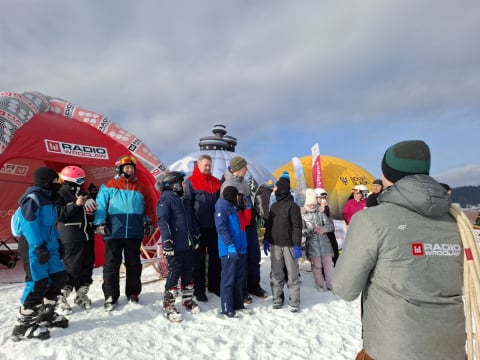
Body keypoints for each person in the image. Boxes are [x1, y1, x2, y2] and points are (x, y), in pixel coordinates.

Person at [332, 140, 465, 360]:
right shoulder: (456, 220)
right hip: (451, 347)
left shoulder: (371, 220)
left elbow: (345, 288)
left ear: (386, 176)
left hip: (391, 348)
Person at [11, 167, 68, 341]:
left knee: (58, 277)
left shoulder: (50, 200)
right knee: (38, 282)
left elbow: (50, 226)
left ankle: (46, 314)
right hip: (33, 246)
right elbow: (30, 224)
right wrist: (39, 246)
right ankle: (23, 325)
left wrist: (58, 242)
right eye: (56, 180)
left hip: (48, 245)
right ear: (46, 181)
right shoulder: (33, 198)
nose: (58, 184)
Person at [94, 155, 156, 311]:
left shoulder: (141, 187)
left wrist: (149, 222)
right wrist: (100, 222)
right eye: (126, 167)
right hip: (114, 231)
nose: (129, 170)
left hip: (134, 232)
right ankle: (110, 296)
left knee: (134, 264)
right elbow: (100, 205)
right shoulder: (109, 185)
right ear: (119, 169)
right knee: (111, 265)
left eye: (131, 168)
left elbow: (148, 206)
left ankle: (133, 293)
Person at [220, 156, 268, 301]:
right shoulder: (228, 185)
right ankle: (243, 290)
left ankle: (255, 286)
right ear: (239, 169)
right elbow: (226, 209)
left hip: (250, 225)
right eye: (245, 167)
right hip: (239, 228)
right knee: (242, 260)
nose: (247, 169)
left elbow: (249, 202)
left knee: (254, 257)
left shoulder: (244, 183)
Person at [157, 171, 201, 322]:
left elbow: (191, 220)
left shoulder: (184, 200)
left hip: (188, 244)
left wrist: (196, 234)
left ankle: (187, 299)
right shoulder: (165, 199)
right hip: (175, 245)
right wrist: (167, 241)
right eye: (181, 182)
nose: (184, 185)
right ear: (174, 185)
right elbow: (163, 221)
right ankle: (168, 304)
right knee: (175, 272)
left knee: (188, 271)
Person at [55, 166, 97, 314]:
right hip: (71, 236)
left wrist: (92, 212)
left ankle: (81, 294)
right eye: (79, 179)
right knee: (72, 267)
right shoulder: (59, 193)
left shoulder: (83, 193)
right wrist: (75, 205)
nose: (81, 182)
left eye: (83, 179)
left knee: (87, 266)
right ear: (70, 179)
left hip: (87, 235)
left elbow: (87, 214)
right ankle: (61, 297)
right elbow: (58, 214)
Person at [184, 154, 221, 302]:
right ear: (198, 165)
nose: (207, 167)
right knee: (198, 261)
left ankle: (214, 285)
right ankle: (199, 290)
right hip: (198, 228)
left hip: (215, 227)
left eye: (209, 165)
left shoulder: (216, 182)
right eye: (205, 165)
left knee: (215, 259)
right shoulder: (191, 182)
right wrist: (193, 227)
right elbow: (188, 206)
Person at [263, 177, 303, 312]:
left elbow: (297, 226)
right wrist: (267, 239)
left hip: (290, 245)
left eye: (277, 187)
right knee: (276, 272)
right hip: (275, 244)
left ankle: (294, 301)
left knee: (292, 273)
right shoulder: (274, 206)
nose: (275, 190)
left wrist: (297, 245)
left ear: (282, 189)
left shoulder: (293, 206)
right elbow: (269, 224)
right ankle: (277, 299)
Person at [215, 186, 249, 318]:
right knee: (228, 279)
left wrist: (247, 208)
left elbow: (243, 225)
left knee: (239, 278)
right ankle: (226, 307)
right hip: (229, 249)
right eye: (237, 195)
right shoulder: (222, 207)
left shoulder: (234, 207)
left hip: (240, 248)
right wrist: (229, 245)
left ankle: (238, 304)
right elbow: (221, 228)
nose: (238, 198)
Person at [302, 189, 335, 291]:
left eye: (313, 203)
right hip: (312, 245)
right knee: (317, 266)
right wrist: (311, 231)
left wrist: (324, 229)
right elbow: (302, 231)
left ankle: (331, 284)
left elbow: (331, 225)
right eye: (310, 204)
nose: (312, 206)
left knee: (329, 265)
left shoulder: (321, 213)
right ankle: (320, 284)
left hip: (325, 243)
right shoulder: (303, 216)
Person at [314, 187, 339, 265]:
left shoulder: (326, 207)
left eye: (324, 197)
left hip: (329, 232)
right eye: (321, 197)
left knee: (334, 251)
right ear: (316, 198)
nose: (323, 199)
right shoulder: (314, 207)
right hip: (321, 235)